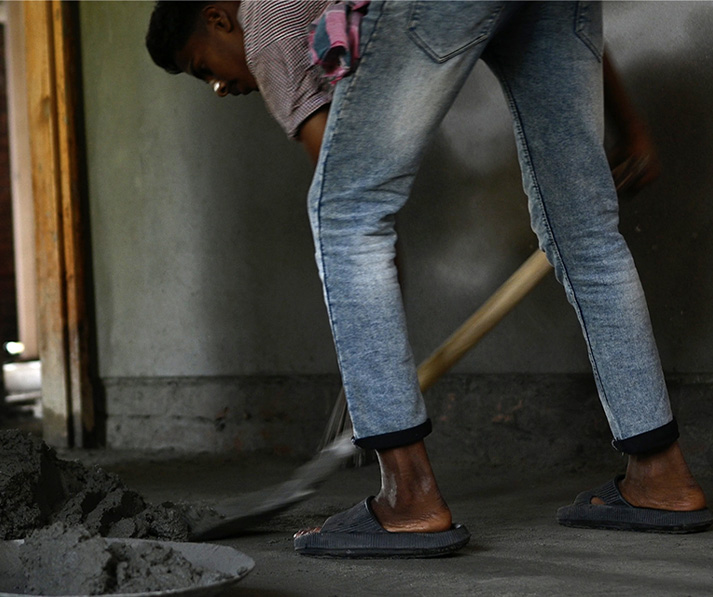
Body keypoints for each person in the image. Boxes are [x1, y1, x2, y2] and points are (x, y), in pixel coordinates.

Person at [146, 1, 711, 557]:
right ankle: (661, 475)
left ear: (219, 18)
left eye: (203, 69)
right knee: (584, 227)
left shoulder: (262, 23)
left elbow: (355, 209)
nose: (218, 87)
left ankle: (408, 496)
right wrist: (631, 128)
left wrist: (373, 386)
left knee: (343, 212)